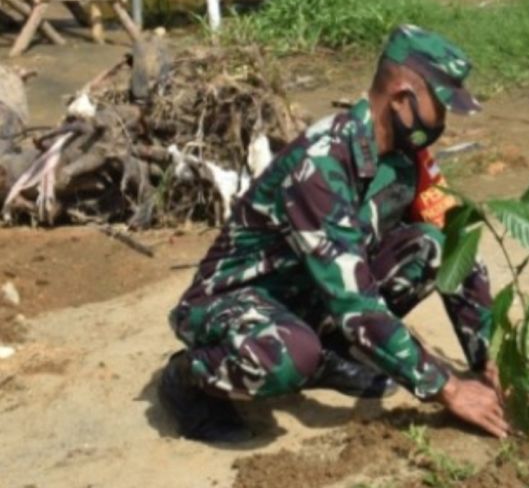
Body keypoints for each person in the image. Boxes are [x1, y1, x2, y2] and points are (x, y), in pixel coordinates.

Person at [158, 26, 509, 443]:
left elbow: (455, 247)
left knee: (430, 248)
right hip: (235, 301)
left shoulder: (403, 157)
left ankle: (329, 353)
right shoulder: (320, 165)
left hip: (309, 295)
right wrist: (448, 388)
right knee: (289, 357)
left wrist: (488, 359)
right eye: (441, 107)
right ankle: (189, 377)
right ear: (402, 99)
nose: (444, 122)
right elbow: (355, 304)